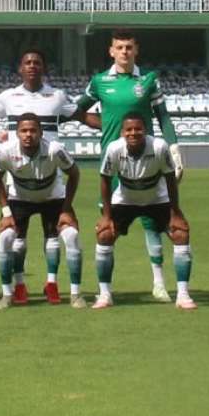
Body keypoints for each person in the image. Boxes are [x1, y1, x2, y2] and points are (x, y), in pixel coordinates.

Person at [0, 48, 94, 303]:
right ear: (20, 68)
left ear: (43, 67)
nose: (32, 66)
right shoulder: (8, 97)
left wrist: (118, 123)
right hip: (19, 182)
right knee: (15, 238)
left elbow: (83, 117)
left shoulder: (57, 96)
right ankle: (18, 287)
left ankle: (52, 284)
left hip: (52, 181)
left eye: (37, 62)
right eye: (27, 62)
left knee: (55, 235)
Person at [74, 30, 182, 302]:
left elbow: (163, 117)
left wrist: (174, 148)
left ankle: (158, 283)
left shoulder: (148, 81)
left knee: (152, 224)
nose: (124, 52)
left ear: (136, 50)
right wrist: (102, 125)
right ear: (111, 51)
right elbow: (76, 109)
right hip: (112, 165)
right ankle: (105, 292)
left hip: (147, 162)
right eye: (119, 47)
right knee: (108, 227)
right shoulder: (99, 82)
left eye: (129, 47)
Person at [93, 111, 194, 310]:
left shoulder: (159, 146)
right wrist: (106, 217)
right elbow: (105, 180)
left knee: (181, 234)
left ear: (145, 130)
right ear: (122, 132)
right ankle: (105, 295)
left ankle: (183, 295)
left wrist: (175, 212)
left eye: (138, 129)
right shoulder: (114, 149)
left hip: (157, 199)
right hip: (125, 199)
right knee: (104, 235)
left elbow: (170, 179)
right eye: (129, 129)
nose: (133, 133)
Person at [0, 111, 85, 308]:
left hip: (52, 198)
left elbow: (74, 174)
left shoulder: (54, 149)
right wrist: (6, 211)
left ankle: (62, 288)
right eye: (23, 130)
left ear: (41, 133)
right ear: (17, 133)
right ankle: (14, 289)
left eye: (33, 130)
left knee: (69, 236)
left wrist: (66, 208)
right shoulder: (6, 151)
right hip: (19, 199)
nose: (28, 134)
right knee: (8, 238)